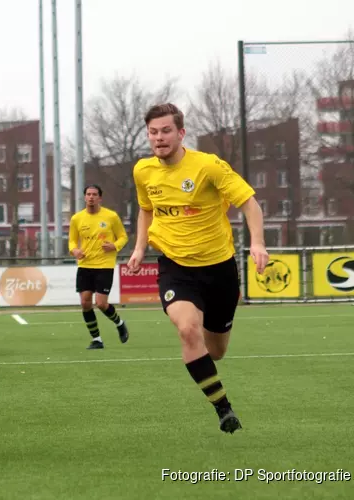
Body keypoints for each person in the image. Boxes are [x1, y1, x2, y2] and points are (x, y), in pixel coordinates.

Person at [127, 103, 269, 434]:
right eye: (153, 132)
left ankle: (210, 359)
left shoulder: (208, 166)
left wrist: (258, 243)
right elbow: (146, 210)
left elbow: (249, 203)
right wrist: (138, 248)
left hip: (219, 269)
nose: (159, 138)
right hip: (176, 267)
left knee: (216, 350)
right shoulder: (143, 171)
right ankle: (223, 409)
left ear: (181, 133)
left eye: (165, 131)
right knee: (188, 330)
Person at [68, 185, 130, 349]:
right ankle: (97, 340)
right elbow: (72, 241)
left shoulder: (111, 216)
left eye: (94, 194)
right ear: (84, 197)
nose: (91, 197)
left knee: (101, 303)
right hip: (85, 265)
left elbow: (123, 237)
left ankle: (120, 323)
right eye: (88, 194)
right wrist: (74, 250)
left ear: (100, 198)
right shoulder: (77, 218)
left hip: (104, 265)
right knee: (85, 303)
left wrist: (115, 246)